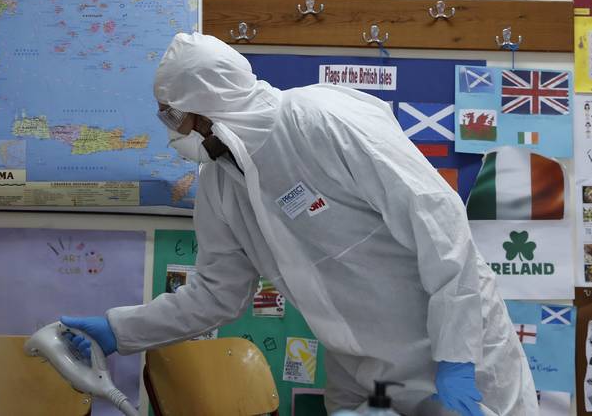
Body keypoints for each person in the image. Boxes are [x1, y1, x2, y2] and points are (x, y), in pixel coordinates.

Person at [62, 33, 537, 415]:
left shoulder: (321, 120)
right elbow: (216, 294)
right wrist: (119, 330)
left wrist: (455, 356)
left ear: (205, 107)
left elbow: (439, 222)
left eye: (174, 114)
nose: (171, 129)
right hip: (364, 376)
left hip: (459, 359)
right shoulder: (220, 185)